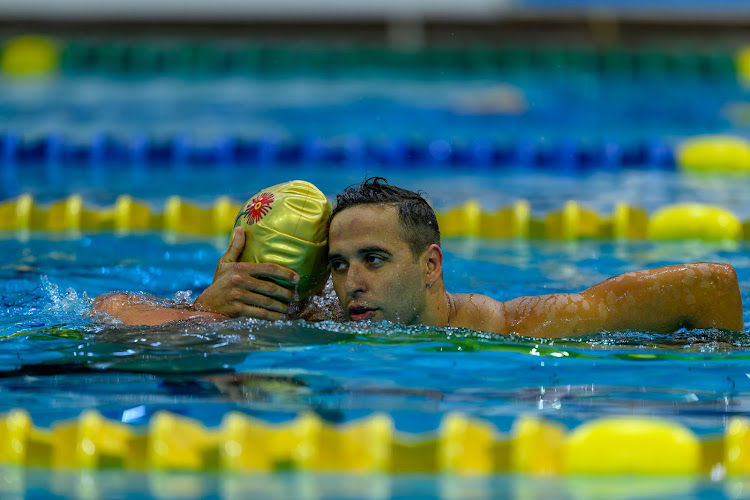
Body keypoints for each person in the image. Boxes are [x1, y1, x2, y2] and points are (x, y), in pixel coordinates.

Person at [94, 178, 745, 337]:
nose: (352, 282)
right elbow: (106, 312)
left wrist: (703, 357)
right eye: (341, 263)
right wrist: (210, 310)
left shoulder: (515, 327)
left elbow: (711, 285)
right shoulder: (325, 316)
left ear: (431, 264)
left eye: (374, 259)